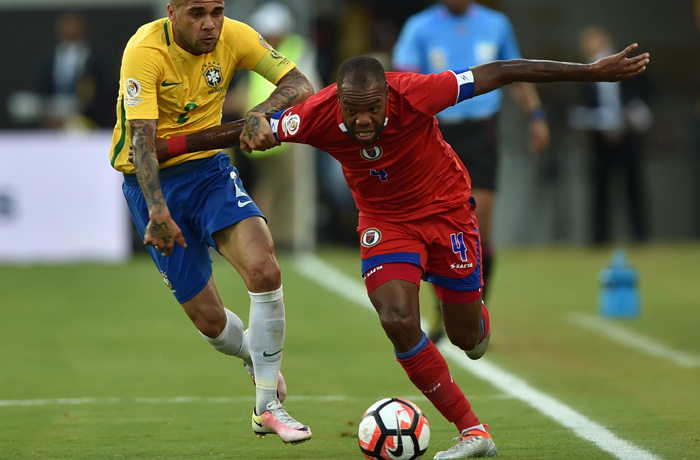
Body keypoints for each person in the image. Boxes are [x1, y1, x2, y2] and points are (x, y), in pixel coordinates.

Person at [151, 45, 650, 458]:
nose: (363, 119)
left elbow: (501, 71)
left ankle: (470, 310)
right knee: (395, 317)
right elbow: (240, 130)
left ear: (388, 95)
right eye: (353, 110)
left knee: (469, 340)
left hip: (447, 210)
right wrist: (168, 148)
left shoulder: (418, 92)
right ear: (338, 103)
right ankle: (473, 430)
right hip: (385, 224)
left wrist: (589, 71)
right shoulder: (317, 115)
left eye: (373, 108)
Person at [109, 0, 314, 445]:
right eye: (197, 13)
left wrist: (262, 109)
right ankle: (249, 355)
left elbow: (300, 83)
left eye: (217, 11)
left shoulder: (234, 35)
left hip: (210, 174)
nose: (210, 24)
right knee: (211, 324)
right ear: (172, 12)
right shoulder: (144, 50)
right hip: (154, 185)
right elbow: (142, 143)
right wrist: (158, 212)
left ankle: (267, 406)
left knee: (265, 269)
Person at [392, 0, 551, 341]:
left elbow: (517, 73)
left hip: (482, 133)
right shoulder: (419, 27)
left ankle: (477, 317)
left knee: (477, 228)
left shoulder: (496, 24)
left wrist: (535, 115)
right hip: (436, 132)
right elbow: (403, 81)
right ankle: (442, 316)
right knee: (437, 230)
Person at [223, 2, 320, 251]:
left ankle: (276, 237)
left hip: (283, 125)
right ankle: (272, 238)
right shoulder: (279, 51)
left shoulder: (288, 49)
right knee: (277, 188)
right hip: (273, 128)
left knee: (274, 187)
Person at [568, 26, 653, 245]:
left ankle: (642, 237)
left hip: (628, 137)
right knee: (600, 189)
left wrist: (632, 115)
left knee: (633, 186)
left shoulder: (628, 67)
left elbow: (643, 97)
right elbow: (578, 109)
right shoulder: (583, 73)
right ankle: (599, 240)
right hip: (600, 140)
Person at [34, 11, 111, 129]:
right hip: (54, 120)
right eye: (67, 25)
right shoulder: (49, 56)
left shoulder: (94, 57)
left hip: (86, 121)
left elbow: (101, 91)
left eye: (74, 25)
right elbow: (42, 87)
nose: (71, 29)